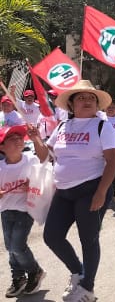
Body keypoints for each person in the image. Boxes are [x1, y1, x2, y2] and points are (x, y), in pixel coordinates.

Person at [43, 80, 115, 302]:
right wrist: (35, 138)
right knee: (52, 236)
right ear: (71, 104)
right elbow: (45, 155)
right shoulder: (61, 127)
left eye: (91, 98)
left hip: (91, 188)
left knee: (89, 239)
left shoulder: (102, 127)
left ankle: (87, 289)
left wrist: (101, 192)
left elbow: (113, 160)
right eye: (81, 98)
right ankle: (78, 272)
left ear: (97, 105)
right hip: (64, 190)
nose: (87, 101)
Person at [0, 124, 48, 297]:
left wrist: (36, 139)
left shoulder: (30, 159)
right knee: (10, 248)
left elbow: (44, 159)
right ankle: (18, 278)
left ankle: (35, 271)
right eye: (12, 139)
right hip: (5, 211)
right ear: (2, 147)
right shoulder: (1, 167)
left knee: (17, 246)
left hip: (25, 210)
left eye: (19, 137)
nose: (18, 140)